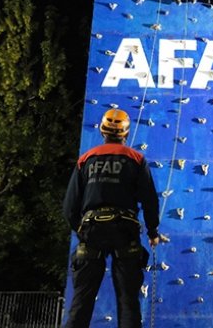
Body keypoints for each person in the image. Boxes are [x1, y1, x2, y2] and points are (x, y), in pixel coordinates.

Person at [63, 108, 160, 328]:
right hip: (125, 232)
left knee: (81, 303)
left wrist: (80, 229)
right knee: (128, 302)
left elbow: (70, 206)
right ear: (125, 133)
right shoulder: (136, 159)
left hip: (92, 231)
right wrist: (153, 231)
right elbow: (150, 201)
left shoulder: (85, 160)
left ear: (102, 131)